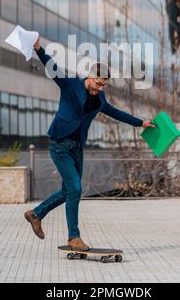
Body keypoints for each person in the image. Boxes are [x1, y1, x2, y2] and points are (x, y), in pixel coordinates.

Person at [24, 37, 155, 251]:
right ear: (90, 77)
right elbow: (52, 66)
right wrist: (38, 48)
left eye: (104, 85)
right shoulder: (70, 86)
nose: (100, 88)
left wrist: (141, 123)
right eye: (98, 83)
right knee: (75, 188)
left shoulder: (100, 99)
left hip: (77, 149)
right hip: (60, 145)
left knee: (69, 191)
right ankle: (73, 237)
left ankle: (36, 214)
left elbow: (116, 113)